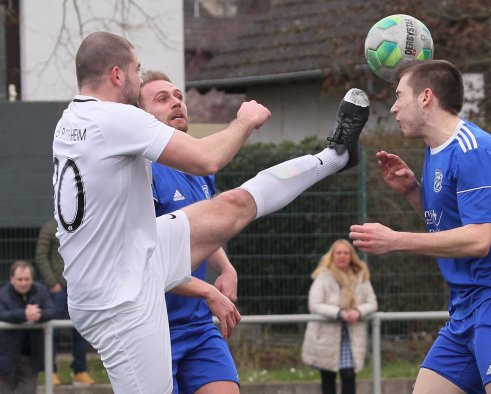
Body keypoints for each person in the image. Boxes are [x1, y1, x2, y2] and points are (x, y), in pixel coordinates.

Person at [52, 31, 369, 393]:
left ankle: (337, 156)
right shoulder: (114, 119)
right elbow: (208, 158)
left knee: (232, 206)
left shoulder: (72, 118)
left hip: (137, 256)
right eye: (137, 70)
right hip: (119, 299)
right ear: (116, 75)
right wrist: (245, 120)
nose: (140, 77)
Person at [349, 60, 491, 394]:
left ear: (426, 97)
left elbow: (477, 240)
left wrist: (396, 240)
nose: (394, 107)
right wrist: (415, 193)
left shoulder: (475, 150)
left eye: (400, 96)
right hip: (465, 308)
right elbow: (451, 226)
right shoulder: (435, 151)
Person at [140, 70, 240, 394]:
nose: (176, 102)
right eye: (162, 98)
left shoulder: (197, 169)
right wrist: (209, 292)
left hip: (196, 326)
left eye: (178, 96)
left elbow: (199, 231)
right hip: (151, 329)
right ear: (140, 116)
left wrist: (225, 267)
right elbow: (149, 260)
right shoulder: (139, 173)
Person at [301, 239, 377, 394]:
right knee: (327, 380)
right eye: (339, 253)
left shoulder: (361, 276)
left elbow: (372, 303)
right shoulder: (323, 276)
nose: (342, 256)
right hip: (327, 337)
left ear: (351, 256)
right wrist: (338, 313)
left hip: (352, 336)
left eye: (346, 253)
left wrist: (357, 312)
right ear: (332, 256)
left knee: (349, 377)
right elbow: (314, 304)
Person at [34, 218, 95, 386]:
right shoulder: (49, 227)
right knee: (53, 331)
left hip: (79, 288)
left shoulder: (82, 226)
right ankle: (51, 371)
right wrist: (52, 283)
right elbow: (41, 256)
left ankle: (80, 371)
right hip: (57, 291)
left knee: (82, 329)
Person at [0, 260, 56, 393]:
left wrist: (38, 314)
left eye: (27, 279)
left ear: (32, 278)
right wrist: (24, 314)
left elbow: (52, 311)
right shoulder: (2, 294)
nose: (24, 283)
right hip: (4, 358)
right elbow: (2, 314)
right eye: (19, 279)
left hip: (30, 357)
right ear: (11, 279)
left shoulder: (40, 290)